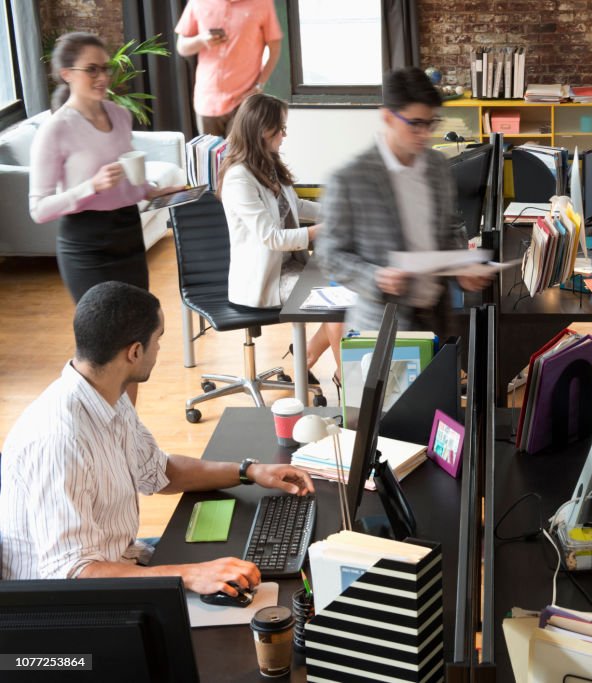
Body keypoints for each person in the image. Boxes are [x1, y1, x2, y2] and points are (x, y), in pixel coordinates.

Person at [0, 282, 314, 597]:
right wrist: (190, 575)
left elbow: (159, 472)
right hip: (65, 607)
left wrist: (249, 472)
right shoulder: (60, 440)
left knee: (244, 559)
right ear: (135, 352)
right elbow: (71, 574)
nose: (160, 349)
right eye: (158, 339)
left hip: (122, 558)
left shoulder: (106, 393)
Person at [318, 67, 490, 336]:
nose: (425, 134)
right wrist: (375, 277)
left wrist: (462, 266)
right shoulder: (350, 178)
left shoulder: (437, 166)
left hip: (438, 318)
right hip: (383, 325)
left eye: (431, 123)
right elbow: (330, 255)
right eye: (415, 124)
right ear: (387, 117)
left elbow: (449, 229)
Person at [29, 32, 175, 304]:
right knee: (103, 338)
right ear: (67, 74)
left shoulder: (120, 114)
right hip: (87, 245)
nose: (103, 77)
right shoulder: (56, 129)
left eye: (105, 68)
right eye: (91, 69)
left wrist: (152, 191)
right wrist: (91, 186)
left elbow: (128, 176)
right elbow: (38, 209)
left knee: (137, 327)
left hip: (129, 234)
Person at [219, 93, 343, 387]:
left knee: (344, 290)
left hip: (289, 266)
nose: (285, 135)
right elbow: (271, 238)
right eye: (281, 128)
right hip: (266, 279)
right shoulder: (239, 178)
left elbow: (296, 207)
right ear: (263, 130)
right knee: (338, 304)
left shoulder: (268, 163)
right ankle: (347, 382)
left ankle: (305, 358)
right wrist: (319, 231)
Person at [175, 0, 283, 137]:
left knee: (243, 157)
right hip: (208, 99)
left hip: (245, 99)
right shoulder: (197, 2)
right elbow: (182, 47)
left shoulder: (262, 3)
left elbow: (275, 49)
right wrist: (201, 40)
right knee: (210, 157)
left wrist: (259, 84)